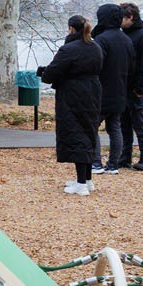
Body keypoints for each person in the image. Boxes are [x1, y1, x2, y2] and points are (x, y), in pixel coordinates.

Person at [37, 14, 104, 194]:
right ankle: (87, 180)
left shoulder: (69, 49)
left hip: (72, 95)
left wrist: (42, 72)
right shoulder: (96, 47)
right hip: (93, 92)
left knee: (76, 134)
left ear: (71, 29)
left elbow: (52, 73)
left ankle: (81, 184)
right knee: (89, 132)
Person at [93, 3, 131, 173]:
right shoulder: (127, 40)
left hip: (101, 90)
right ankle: (113, 164)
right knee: (115, 127)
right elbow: (132, 66)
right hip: (120, 89)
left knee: (92, 126)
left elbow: (95, 65)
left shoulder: (101, 40)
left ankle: (96, 162)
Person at [120, 1, 143, 170]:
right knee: (124, 124)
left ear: (130, 17)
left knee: (140, 124)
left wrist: (140, 88)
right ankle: (125, 157)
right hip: (123, 86)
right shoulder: (124, 35)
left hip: (135, 88)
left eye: (122, 18)